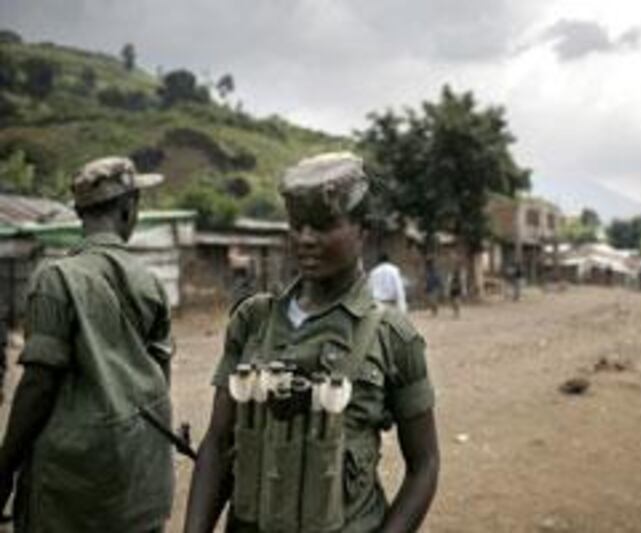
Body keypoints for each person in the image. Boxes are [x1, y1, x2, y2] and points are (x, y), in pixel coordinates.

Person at [184, 152, 439, 533]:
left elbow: (425, 464)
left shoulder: (392, 336)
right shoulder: (252, 320)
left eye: (323, 225)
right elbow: (219, 444)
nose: (305, 238)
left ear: (362, 230)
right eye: (297, 225)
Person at [0, 156, 175, 532]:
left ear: (80, 213)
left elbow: (38, 385)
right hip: (142, 479)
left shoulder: (56, 278)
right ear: (130, 210)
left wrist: (5, 468)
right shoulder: (152, 282)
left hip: (71, 485)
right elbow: (162, 376)